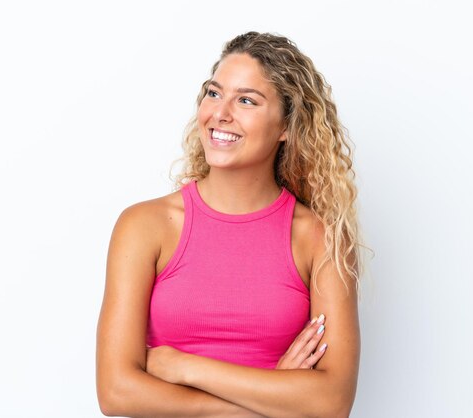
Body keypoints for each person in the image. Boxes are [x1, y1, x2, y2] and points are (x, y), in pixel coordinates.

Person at [96, 31, 366, 418]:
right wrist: (270, 395)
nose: (220, 113)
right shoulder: (145, 226)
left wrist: (183, 367)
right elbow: (116, 392)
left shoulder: (319, 239)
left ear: (287, 126)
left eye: (246, 100)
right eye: (213, 93)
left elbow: (332, 402)